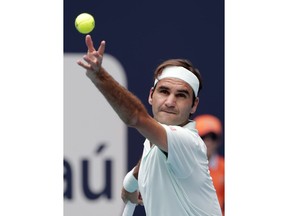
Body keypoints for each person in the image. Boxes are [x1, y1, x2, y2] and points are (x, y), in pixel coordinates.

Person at [77, 35, 222, 216]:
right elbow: (148, 155)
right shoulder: (158, 140)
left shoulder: (187, 142)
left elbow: (137, 117)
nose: (170, 102)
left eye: (181, 95)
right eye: (164, 91)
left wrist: (99, 75)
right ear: (151, 95)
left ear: (194, 105)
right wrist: (129, 184)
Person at [194, 114, 225, 215]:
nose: (208, 142)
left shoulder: (225, 168)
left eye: (213, 137)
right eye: (203, 137)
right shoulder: (182, 166)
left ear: (218, 141)